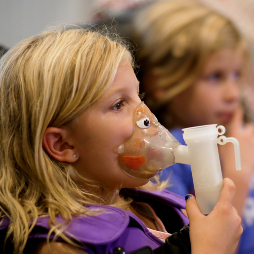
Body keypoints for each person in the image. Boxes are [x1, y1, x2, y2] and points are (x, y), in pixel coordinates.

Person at [0, 27, 242, 254]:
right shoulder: (56, 244)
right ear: (63, 145)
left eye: (139, 96)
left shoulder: (147, 204)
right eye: (118, 104)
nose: (146, 116)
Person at [121, 0, 254, 253]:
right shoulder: (167, 155)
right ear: (163, 83)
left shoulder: (237, 137)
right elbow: (205, 243)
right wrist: (239, 175)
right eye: (215, 76)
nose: (233, 94)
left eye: (236, 75)